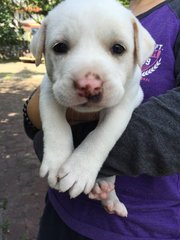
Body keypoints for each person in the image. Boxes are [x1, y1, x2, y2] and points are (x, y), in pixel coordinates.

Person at [23, 0, 180, 239]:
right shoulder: (94, 11)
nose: (88, 83)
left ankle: (108, 190)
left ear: (139, 50)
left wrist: (87, 155)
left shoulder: (166, 18)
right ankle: (106, 189)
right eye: (61, 47)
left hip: (145, 227)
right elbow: (44, 94)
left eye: (117, 49)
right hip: (62, 212)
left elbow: (126, 110)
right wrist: (54, 138)